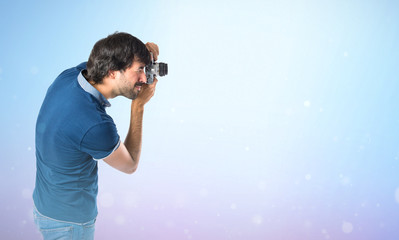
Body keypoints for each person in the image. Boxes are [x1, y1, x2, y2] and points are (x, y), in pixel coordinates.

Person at [32, 32, 159, 240]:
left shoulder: (70, 76)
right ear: (112, 73)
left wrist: (144, 56)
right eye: (139, 70)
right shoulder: (96, 126)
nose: (144, 79)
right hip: (69, 225)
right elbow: (130, 165)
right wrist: (138, 107)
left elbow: (107, 55)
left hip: (44, 204)